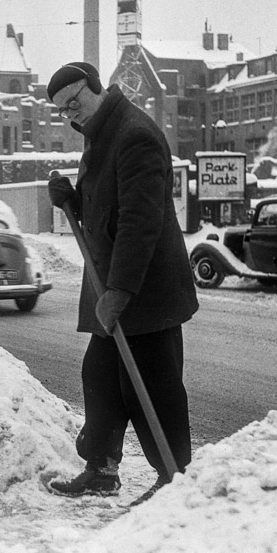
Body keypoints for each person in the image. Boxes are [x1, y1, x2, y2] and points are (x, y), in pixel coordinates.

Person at [46, 62, 199, 499]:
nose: (71, 114)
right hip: (114, 285)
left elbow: (139, 222)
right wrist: (72, 200)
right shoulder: (102, 132)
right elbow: (106, 205)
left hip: (145, 290)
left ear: (97, 88)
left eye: (75, 101)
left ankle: (175, 480)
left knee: (153, 387)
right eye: (63, 111)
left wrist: (120, 292)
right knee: (100, 375)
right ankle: (102, 469)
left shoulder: (134, 134)